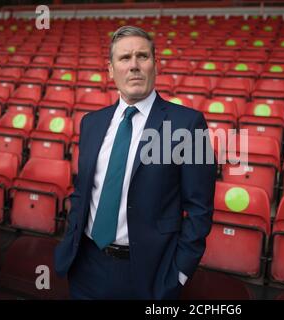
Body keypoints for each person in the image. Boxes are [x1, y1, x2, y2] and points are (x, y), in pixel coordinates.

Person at [54, 25, 217, 300]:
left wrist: (178, 274)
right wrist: (71, 241)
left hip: (148, 276)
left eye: (142, 56)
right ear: (110, 69)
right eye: (124, 58)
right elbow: (83, 191)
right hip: (86, 266)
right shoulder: (91, 123)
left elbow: (200, 210)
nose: (134, 66)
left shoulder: (188, 125)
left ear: (156, 65)